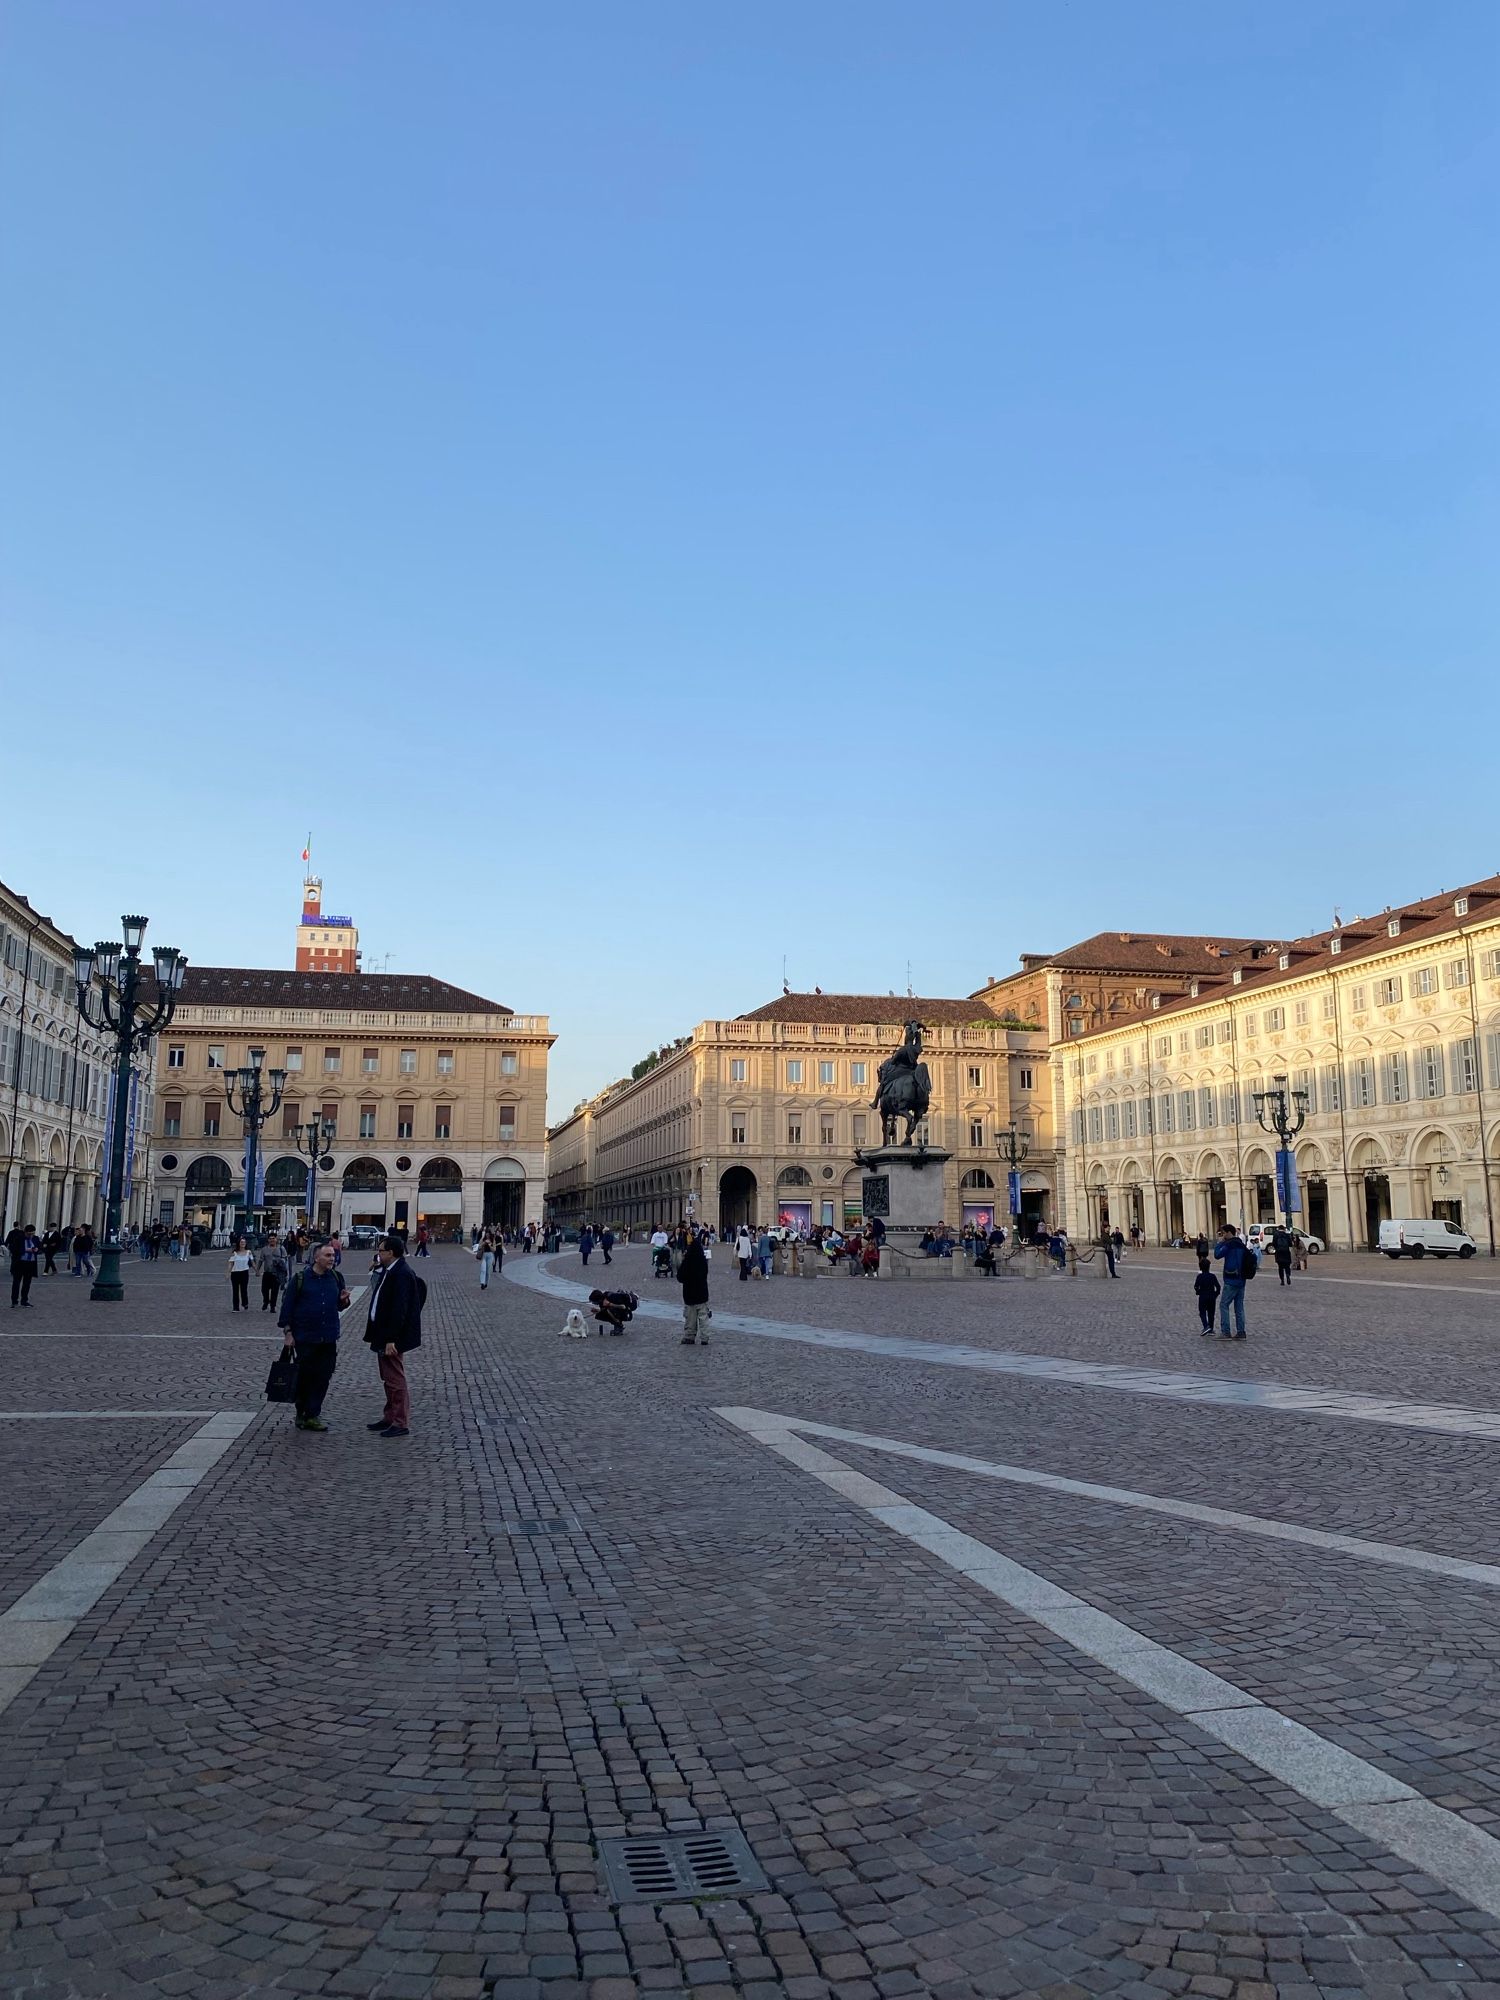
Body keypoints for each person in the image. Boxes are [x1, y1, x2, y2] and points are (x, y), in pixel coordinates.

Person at [278, 1239, 351, 1430]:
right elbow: (287, 1307)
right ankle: (301, 1411)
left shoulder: (336, 1277)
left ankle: (313, 1414)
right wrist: (288, 1332)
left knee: (323, 1376)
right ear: (316, 1258)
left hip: (327, 1337)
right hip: (305, 1337)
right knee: (304, 1376)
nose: (332, 1259)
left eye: (333, 1255)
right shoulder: (300, 1279)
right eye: (328, 1255)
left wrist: (343, 1301)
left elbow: (338, 1305)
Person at [363, 1232, 422, 1438]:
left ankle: (400, 1421)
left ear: (391, 1252)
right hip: (382, 1333)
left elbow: (400, 1309)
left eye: (380, 1250)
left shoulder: (401, 1273)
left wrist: (392, 1339)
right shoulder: (390, 1270)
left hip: (391, 1337)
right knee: (387, 1378)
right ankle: (390, 1416)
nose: (378, 1254)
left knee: (395, 1378)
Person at [1213, 1224, 1253, 1339]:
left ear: (1228, 1233)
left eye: (1223, 1233)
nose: (1223, 1235)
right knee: (1239, 1306)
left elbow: (1217, 1255)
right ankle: (1241, 1331)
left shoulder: (1229, 1245)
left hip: (1231, 1279)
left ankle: (1226, 1331)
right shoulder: (1241, 1244)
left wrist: (1220, 1242)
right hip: (1242, 1279)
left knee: (1224, 1305)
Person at [678, 1229, 711, 1346]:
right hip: (702, 1293)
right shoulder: (702, 1261)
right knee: (703, 1317)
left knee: (690, 1318)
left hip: (689, 1294)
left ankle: (689, 1337)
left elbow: (680, 1277)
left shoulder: (687, 1261)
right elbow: (705, 1274)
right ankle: (705, 1338)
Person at [8, 1223, 39, 1307]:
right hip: (20, 1263)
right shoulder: (19, 1239)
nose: (31, 1235)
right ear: (25, 1232)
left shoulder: (35, 1239)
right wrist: (25, 1250)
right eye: (29, 1234)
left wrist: (36, 1249)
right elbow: (13, 1249)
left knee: (27, 1283)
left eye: (33, 1233)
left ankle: (24, 1300)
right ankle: (14, 1301)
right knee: (16, 1283)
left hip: (30, 1263)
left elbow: (39, 1248)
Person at [256, 1235, 289, 1313]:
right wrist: (257, 1270)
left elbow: (285, 1259)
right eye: (270, 1239)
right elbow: (261, 1260)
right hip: (267, 1272)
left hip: (276, 1273)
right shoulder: (264, 1249)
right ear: (268, 1240)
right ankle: (266, 1301)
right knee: (264, 1289)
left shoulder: (281, 1249)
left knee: (275, 1290)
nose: (272, 1240)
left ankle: (273, 1306)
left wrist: (284, 1270)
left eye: (273, 1238)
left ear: (276, 1239)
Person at [1194, 1258, 1221, 1336]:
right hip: (1212, 1297)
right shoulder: (1212, 1276)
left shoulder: (1199, 1276)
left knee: (1202, 1312)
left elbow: (1196, 1286)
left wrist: (1198, 1292)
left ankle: (1206, 1326)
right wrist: (1215, 1294)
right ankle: (1211, 1328)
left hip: (1203, 1297)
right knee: (1211, 1313)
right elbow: (1218, 1287)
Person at [227, 1235, 253, 1311]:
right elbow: (231, 1263)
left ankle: (245, 1303)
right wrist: (228, 1272)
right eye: (241, 1242)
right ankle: (235, 1307)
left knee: (244, 1289)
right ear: (239, 1243)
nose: (243, 1243)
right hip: (235, 1273)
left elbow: (252, 1262)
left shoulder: (248, 1252)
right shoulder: (234, 1253)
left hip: (244, 1272)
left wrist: (257, 1271)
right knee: (235, 1290)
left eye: (244, 1242)